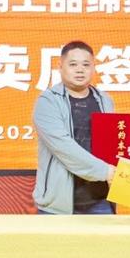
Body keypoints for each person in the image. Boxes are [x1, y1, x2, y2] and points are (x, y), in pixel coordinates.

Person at [33, 41, 116, 214]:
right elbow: (64, 148)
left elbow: (109, 144)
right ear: (60, 67)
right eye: (73, 64)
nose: (80, 70)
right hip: (58, 205)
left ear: (93, 68)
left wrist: (123, 152)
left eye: (86, 65)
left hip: (100, 201)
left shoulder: (104, 100)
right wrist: (105, 171)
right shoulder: (48, 102)